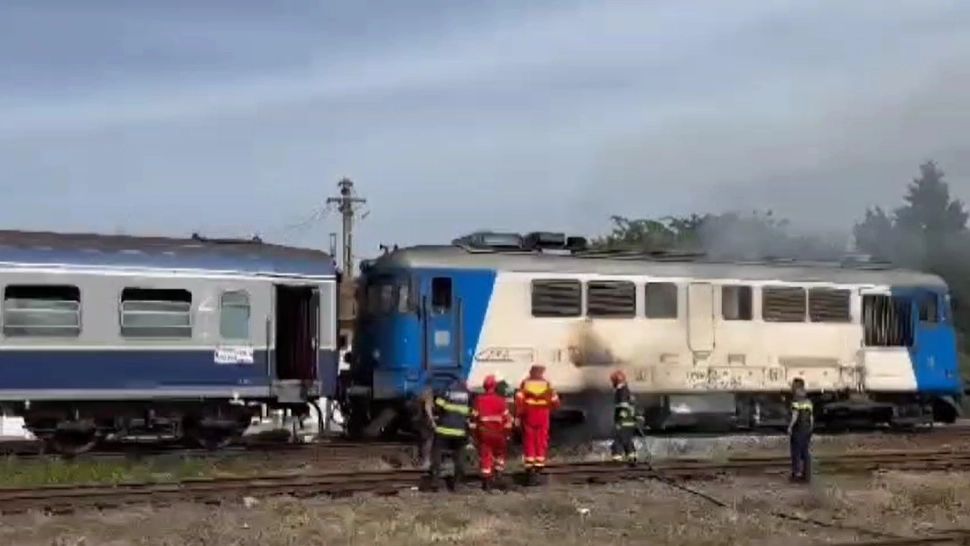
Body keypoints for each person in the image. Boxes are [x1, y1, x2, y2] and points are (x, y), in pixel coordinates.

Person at [515, 364, 560, 485]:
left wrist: (518, 416)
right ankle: (539, 467)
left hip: (529, 416)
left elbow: (519, 401)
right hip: (543, 416)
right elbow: (555, 402)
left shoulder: (525, 383)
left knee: (529, 441)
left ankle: (530, 469)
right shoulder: (547, 384)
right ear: (542, 372)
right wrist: (549, 408)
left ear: (531, 372)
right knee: (541, 440)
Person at [469, 375, 513, 490]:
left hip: (484, 434)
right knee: (500, 454)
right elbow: (508, 420)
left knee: (486, 456)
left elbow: (473, 418)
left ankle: (487, 482)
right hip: (499, 434)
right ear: (495, 386)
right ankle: (498, 475)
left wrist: (474, 435)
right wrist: (507, 435)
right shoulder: (501, 400)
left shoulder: (479, 400)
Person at [427, 378, 472, 490]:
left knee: (437, 453)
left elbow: (437, 407)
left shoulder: (446, 391)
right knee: (459, 457)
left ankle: (435, 481)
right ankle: (456, 483)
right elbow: (472, 412)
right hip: (460, 432)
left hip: (444, 430)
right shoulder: (468, 394)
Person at [609, 370, 640, 464]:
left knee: (618, 439)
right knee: (626, 439)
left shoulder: (621, 391)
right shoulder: (627, 390)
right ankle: (632, 455)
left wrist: (619, 421)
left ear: (617, 381)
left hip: (623, 421)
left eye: (613, 381)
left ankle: (617, 457)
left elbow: (623, 408)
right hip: (629, 421)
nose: (612, 383)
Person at [787, 377, 814, 483]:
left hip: (798, 430)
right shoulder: (808, 402)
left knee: (796, 452)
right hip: (807, 429)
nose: (791, 387)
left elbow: (795, 415)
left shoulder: (795, 401)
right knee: (805, 452)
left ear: (797, 388)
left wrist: (790, 427)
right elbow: (811, 417)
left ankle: (796, 474)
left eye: (793, 386)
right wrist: (811, 428)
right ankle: (806, 475)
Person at [411, 383, 436, 468]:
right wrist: (432, 420)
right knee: (428, 440)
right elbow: (427, 407)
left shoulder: (418, 396)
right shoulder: (428, 394)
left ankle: (419, 460)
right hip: (425, 421)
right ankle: (426, 461)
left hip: (418, 421)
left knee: (421, 441)